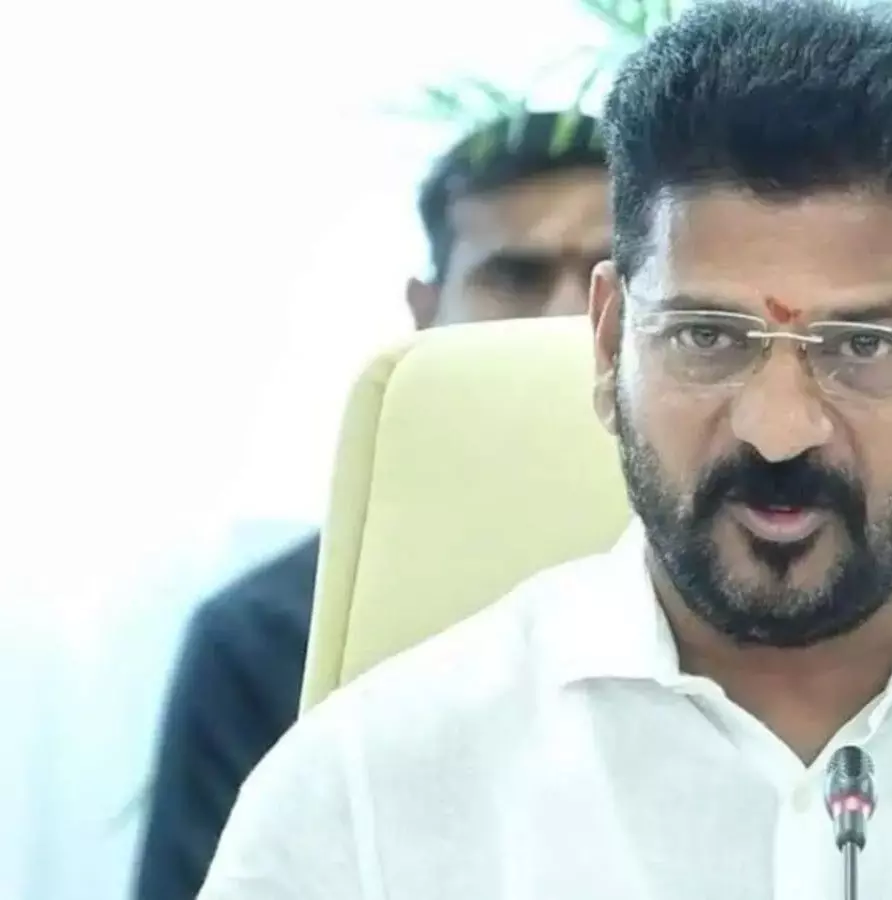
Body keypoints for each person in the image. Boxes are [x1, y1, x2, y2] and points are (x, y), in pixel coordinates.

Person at [199, 3, 892, 898]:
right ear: (609, 345)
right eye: (708, 337)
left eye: (863, 346)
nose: (779, 426)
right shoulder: (367, 791)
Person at [132, 110, 609, 900]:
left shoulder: (743, 595)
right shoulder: (265, 636)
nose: (567, 320)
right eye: (517, 277)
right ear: (426, 310)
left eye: (608, 279)